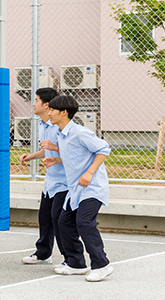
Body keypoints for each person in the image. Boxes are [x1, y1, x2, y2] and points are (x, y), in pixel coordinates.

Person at [47, 95, 113, 282]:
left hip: (92, 188)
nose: (49, 113)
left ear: (64, 112)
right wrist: (56, 159)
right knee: (64, 222)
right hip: (75, 189)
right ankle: (76, 263)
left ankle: (102, 265)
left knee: (84, 223)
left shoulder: (79, 132)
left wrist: (90, 173)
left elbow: (103, 149)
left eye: (52, 110)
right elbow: (75, 156)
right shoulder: (62, 134)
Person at [17, 88, 68, 266]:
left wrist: (54, 151)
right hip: (50, 182)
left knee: (58, 219)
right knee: (44, 218)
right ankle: (43, 252)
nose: (33, 103)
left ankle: (70, 258)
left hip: (65, 182)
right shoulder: (42, 124)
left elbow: (71, 151)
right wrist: (32, 156)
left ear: (46, 105)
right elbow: (46, 149)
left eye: (36, 100)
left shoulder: (60, 126)